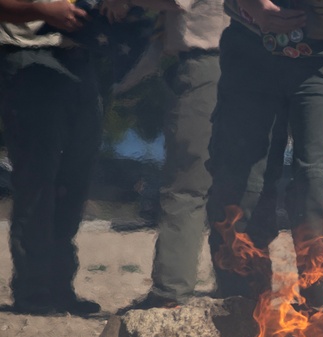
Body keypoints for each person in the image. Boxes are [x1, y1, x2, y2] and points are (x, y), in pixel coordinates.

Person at [206, 0, 323, 309]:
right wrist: (257, 8)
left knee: (320, 181)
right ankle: (243, 313)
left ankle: (320, 315)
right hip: (251, 45)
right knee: (238, 186)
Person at [100, 0, 228, 311]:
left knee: (187, 183)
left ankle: (171, 291)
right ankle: (238, 289)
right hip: (208, 64)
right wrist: (121, 86)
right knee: (226, 182)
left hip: (206, 64)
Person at [0, 0, 103, 315]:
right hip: (28, 56)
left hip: (81, 57)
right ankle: (34, 289)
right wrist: (40, 10)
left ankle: (60, 286)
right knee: (37, 178)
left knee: (74, 179)